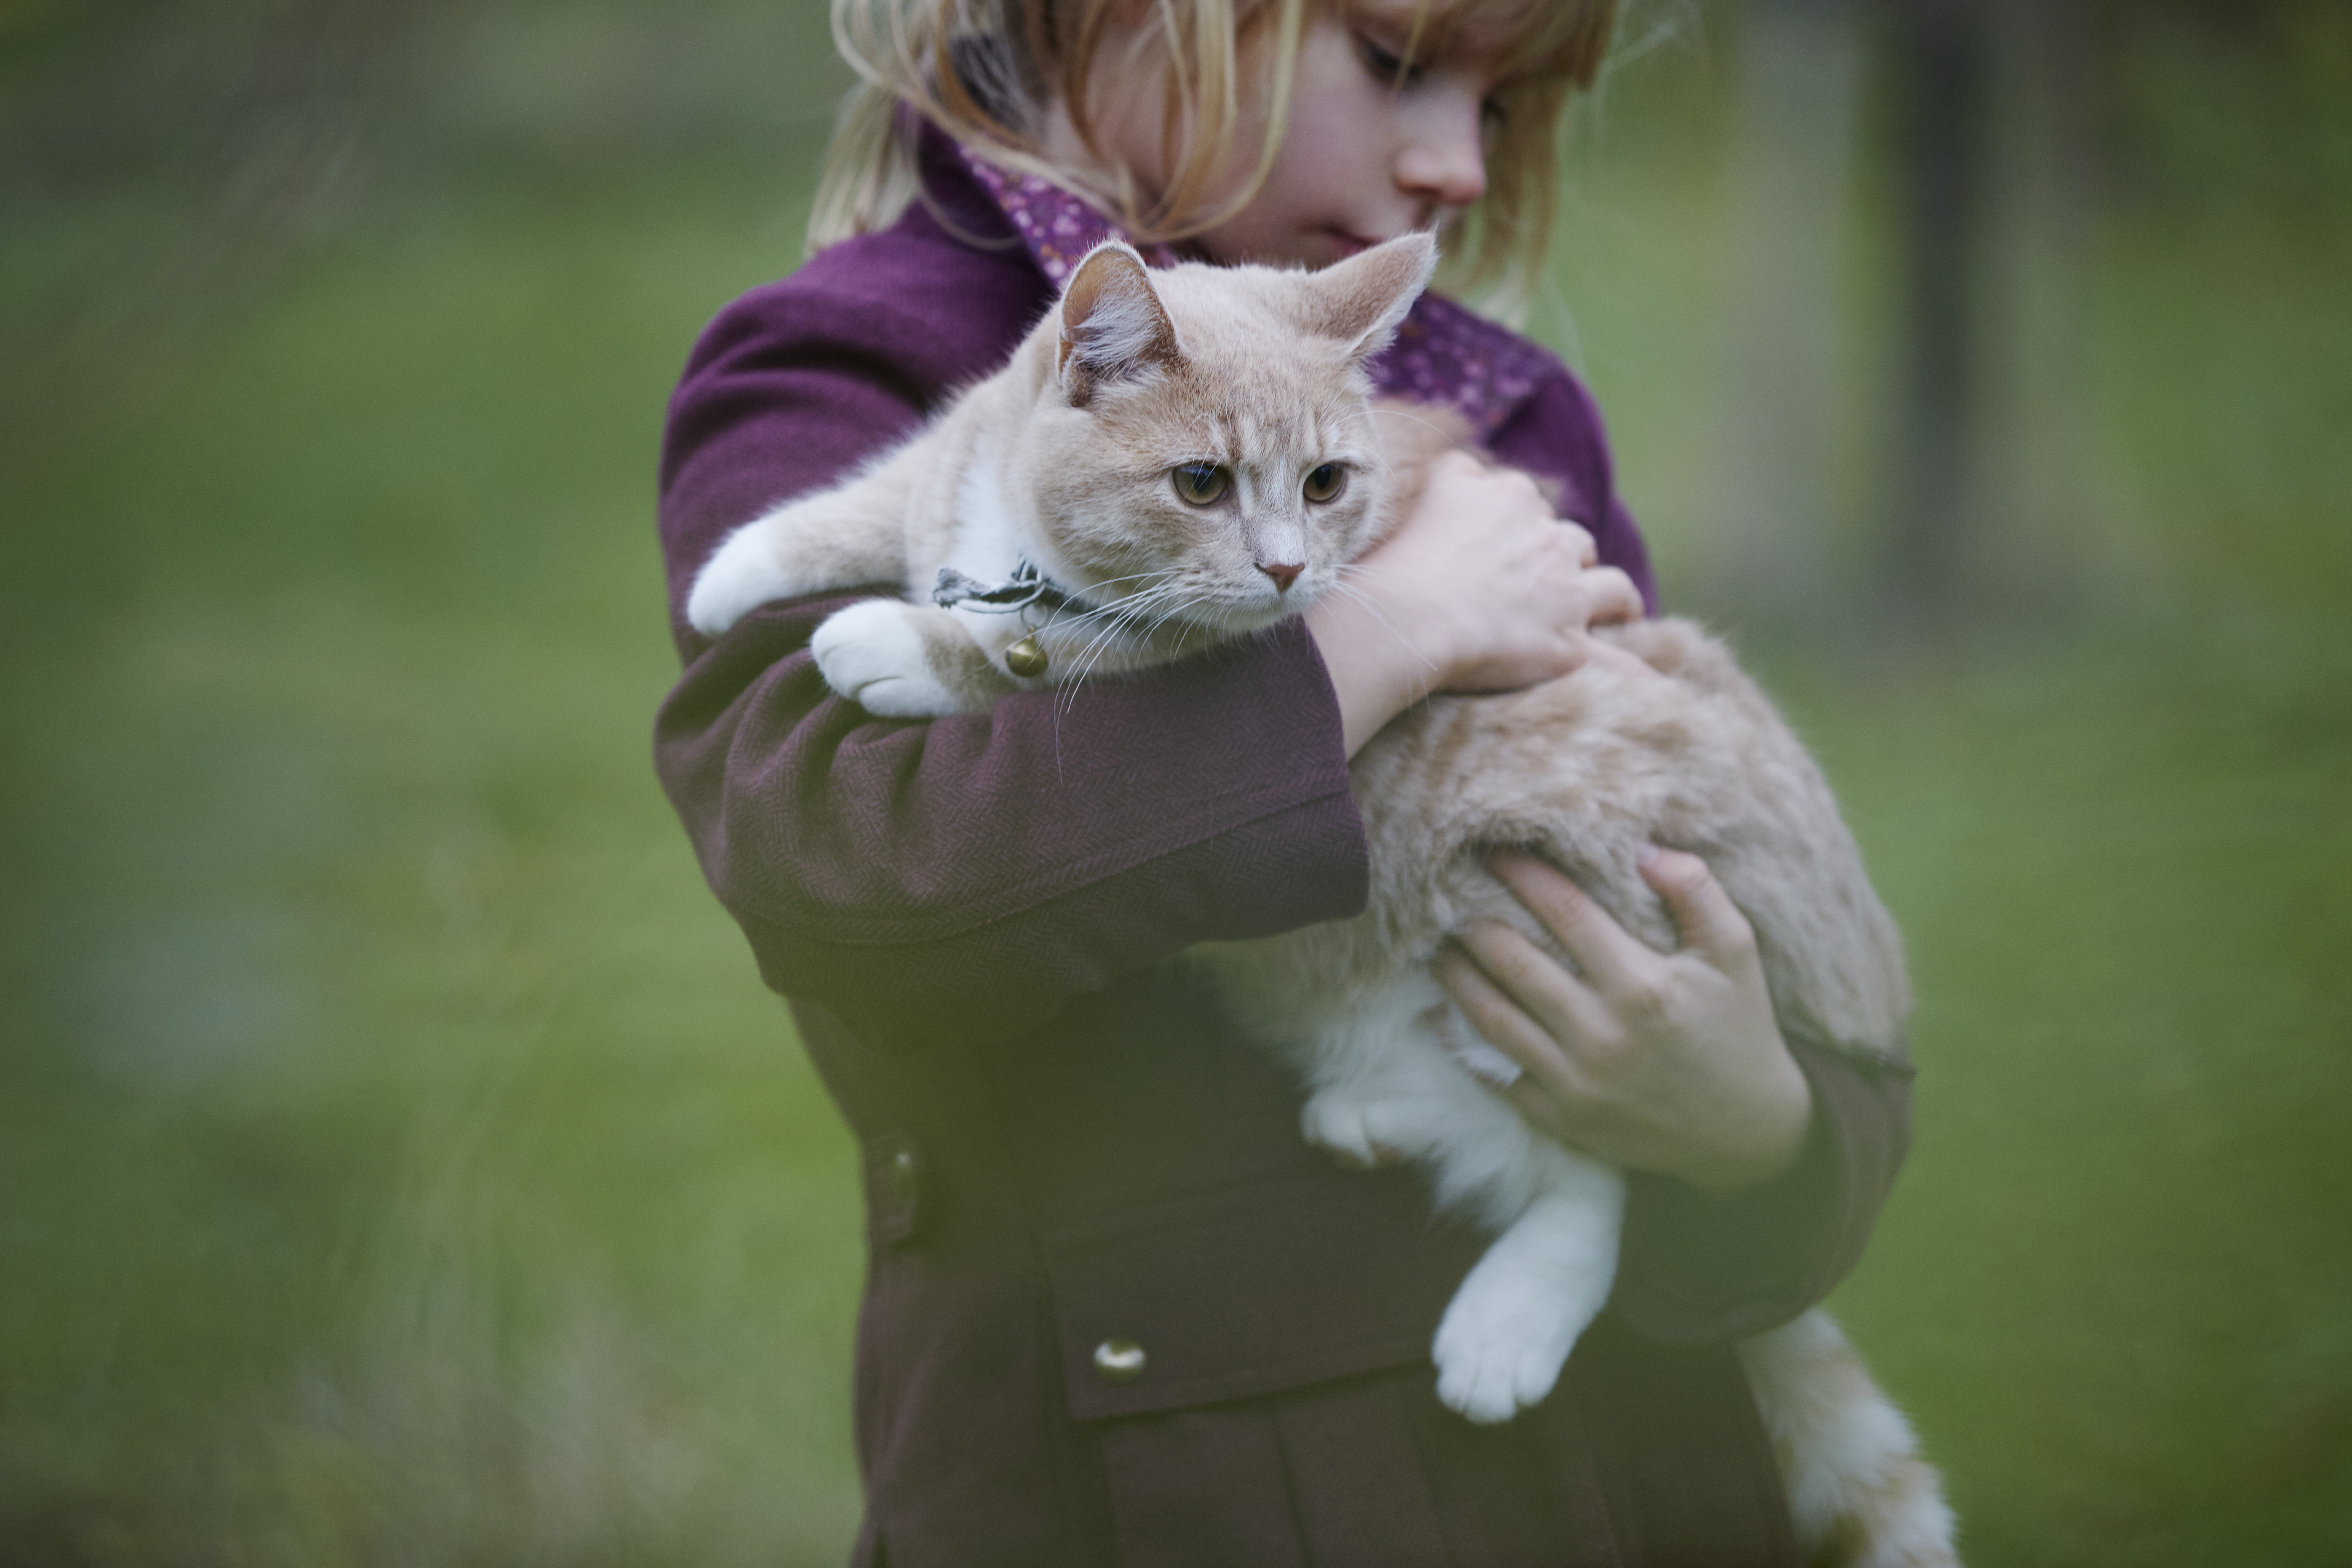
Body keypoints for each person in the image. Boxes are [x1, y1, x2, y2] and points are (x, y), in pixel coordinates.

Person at [653, 2, 1914, 1563]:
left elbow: (1740, 913)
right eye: (1398, 63)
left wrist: (1761, 1135)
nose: (1457, 162)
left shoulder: (1499, 400)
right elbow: (843, 873)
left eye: (1505, 109)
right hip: (1170, 1486)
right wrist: (1395, 640)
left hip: (1628, 1474)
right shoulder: (853, 357)